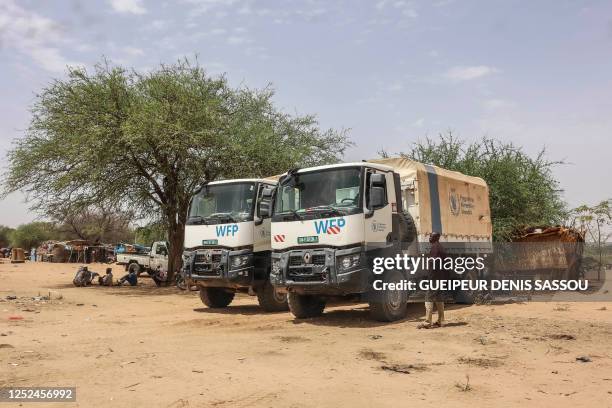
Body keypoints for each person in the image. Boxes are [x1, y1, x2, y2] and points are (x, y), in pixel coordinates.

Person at [420, 232, 446, 328]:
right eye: (429, 236)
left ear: (436, 237)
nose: (429, 237)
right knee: (439, 299)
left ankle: (427, 322)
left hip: (434, 277)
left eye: (431, 236)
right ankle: (441, 321)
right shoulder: (440, 247)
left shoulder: (435, 247)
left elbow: (434, 263)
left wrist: (430, 276)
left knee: (428, 298)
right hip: (440, 277)